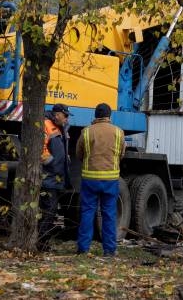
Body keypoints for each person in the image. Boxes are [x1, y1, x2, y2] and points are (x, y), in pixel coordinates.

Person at [75, 102, 125, 256]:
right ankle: (109, 250)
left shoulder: (86, 132)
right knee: (109, 214)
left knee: (88, 213)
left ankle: (83, 249)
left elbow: (79, 153)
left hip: (90, 179)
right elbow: (121, 154)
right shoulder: (119, 132)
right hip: (110, 180)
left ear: (95, 116)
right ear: (109, 116)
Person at [39, 103, 72, 250]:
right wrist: (51, 162)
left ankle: (43, 242)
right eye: (65, 116)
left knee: (51, 212)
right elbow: (41, 148)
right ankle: (41, 243)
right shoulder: (46, 125)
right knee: (49, 212)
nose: (66, 119)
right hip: (49, 177)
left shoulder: (61, 128)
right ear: (58, 114)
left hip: (56, 177)